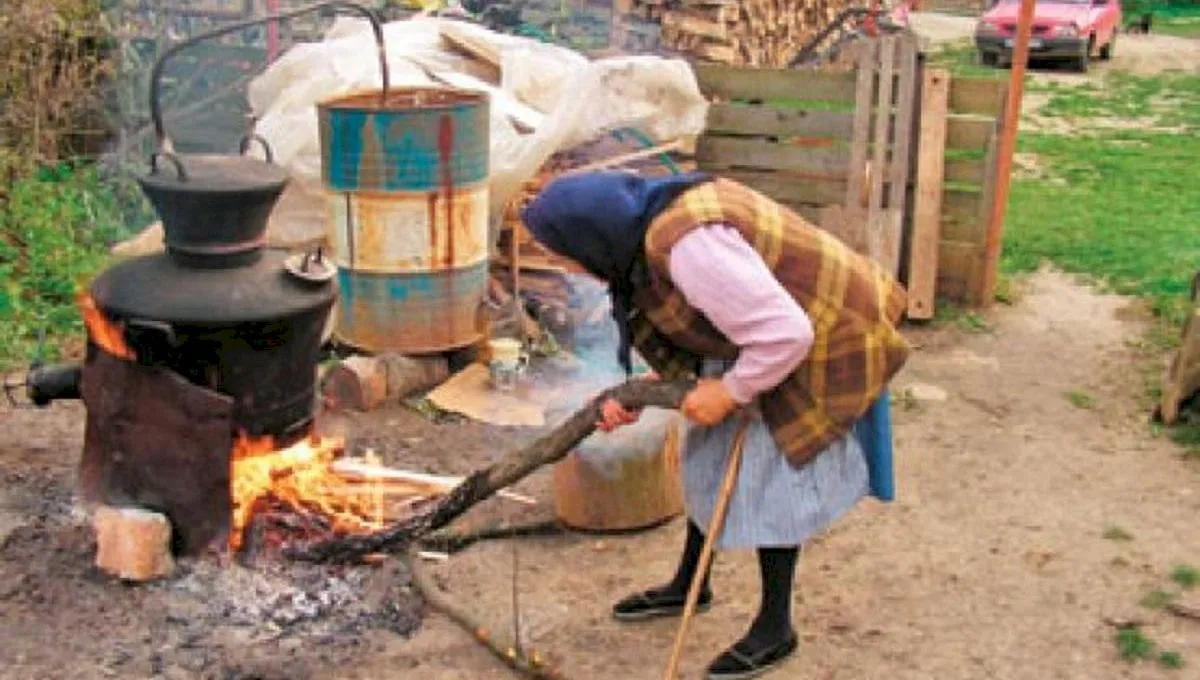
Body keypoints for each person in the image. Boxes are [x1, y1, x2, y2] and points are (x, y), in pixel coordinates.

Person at [520, 170, 910, 679]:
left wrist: (730, 390)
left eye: (561, 252)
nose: (562, 265)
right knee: (706, 457)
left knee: (773, 480)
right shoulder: (643, 231)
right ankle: (691, 583)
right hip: (767, 331)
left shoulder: (688, 248)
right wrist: (647, 389)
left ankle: (776, 626)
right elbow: (705, 319)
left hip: (821, 332)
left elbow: (785, 334)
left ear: (590, 238)